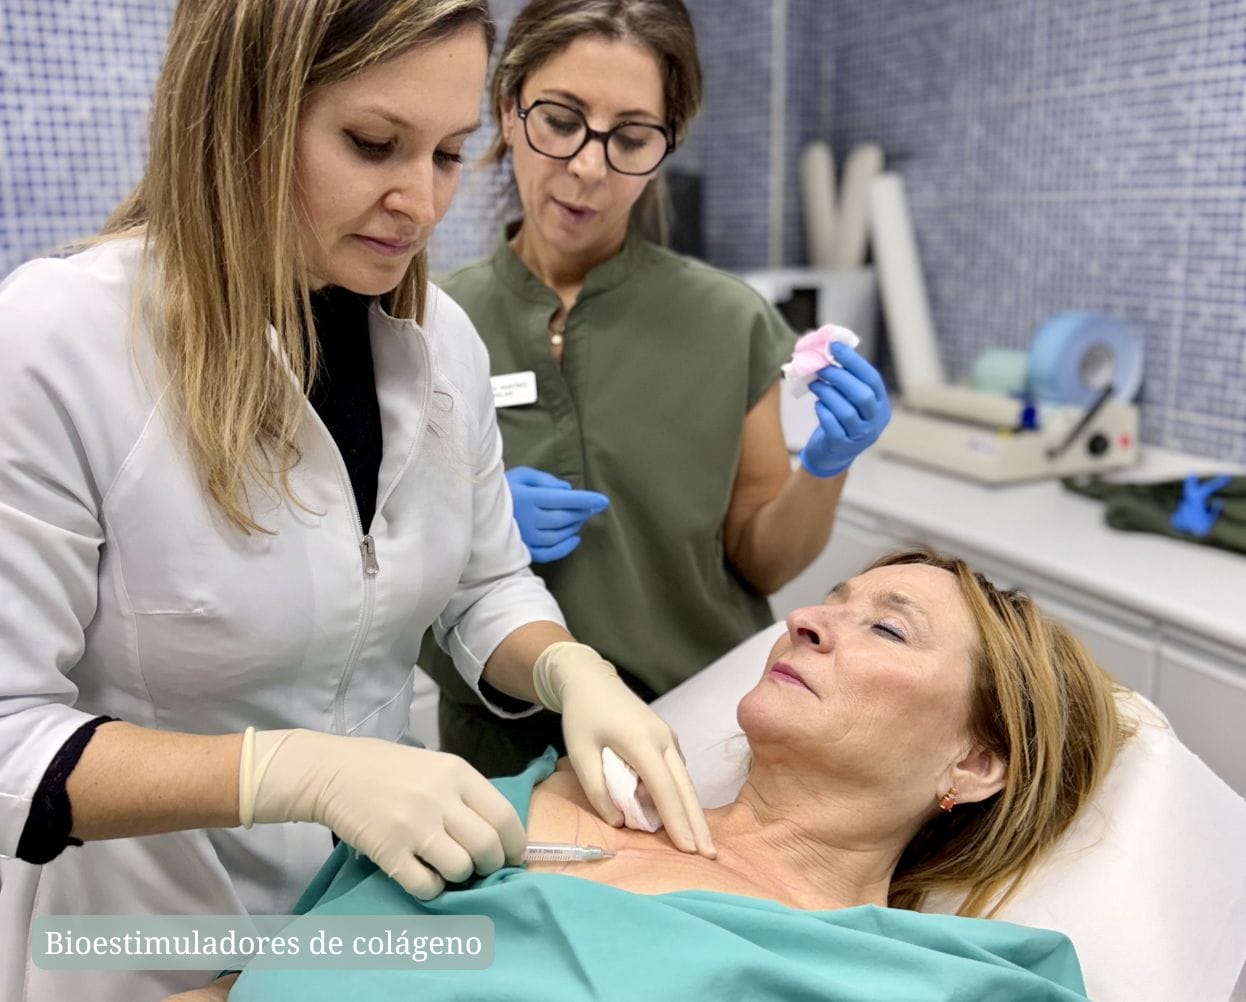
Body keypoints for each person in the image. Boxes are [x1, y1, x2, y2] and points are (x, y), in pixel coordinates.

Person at [0, 3, 717, 1000]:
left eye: (450, 154)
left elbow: (482, 585)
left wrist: (568, 669)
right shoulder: (60, 341)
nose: (419, 203)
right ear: (242, 115)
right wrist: (294, 774)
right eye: (374, 144)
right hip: (133, 944)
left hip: (359, 926)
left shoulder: (442, 347)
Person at [172, 546, 1132, 1001]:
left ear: (973, 762)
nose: (803, 619)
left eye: (885, 627)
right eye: (827, 599)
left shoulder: (921, 983)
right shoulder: (505, 804)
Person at [420, 0, 894, 778]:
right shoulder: (425, 322)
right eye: (561, 120)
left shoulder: (727, 321)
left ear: (665, 145)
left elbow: (762, 562)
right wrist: (473, 522)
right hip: (496, 750)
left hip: (697, 731)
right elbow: (373, 570)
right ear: (509, 112)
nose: (589, 168)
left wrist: (827, 467)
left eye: (631, 138)